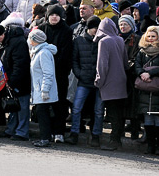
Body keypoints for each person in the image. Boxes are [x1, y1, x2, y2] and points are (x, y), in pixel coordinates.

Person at [38, 4, 73, 143]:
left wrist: (55, 66)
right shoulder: (42, 29)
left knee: (60, 103)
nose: (54, 17)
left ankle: (59, 132)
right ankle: (47, 132)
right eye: (52, 14)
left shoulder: (67, 30)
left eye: (57, 15)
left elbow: (66, 52)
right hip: (43, 73)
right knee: (45, 104)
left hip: (60, 72)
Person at [66, 16, 103, 147]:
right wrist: (79, 74)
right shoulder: (79, 41)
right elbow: (74, 60)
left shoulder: (102, 41)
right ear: (89, 28)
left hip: (99, 82)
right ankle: (74, 133)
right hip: (83, 80)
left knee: (98, 111)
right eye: (94, 28)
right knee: (76, 108)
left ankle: (96, 135)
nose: (96, 31)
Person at [0, 24, 31, 140]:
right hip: (11, 79)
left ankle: (22, 132)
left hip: (20, 81)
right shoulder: (8, 41)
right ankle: (11, 130)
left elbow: (20, 65)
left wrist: (12, 82)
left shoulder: (17, 42)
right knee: (13, 106)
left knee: (22, 107)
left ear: (2, 34)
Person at [95, 18, 129, 151]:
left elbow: (102, 65)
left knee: (112, 112)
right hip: (121, 80)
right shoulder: (120, 39)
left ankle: (114, 141)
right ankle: (117, 139)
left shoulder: (103, 41)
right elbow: (125, 61)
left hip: (108, 82)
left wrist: (99, 81)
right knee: (118, 112)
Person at [28, 29, 59, 148]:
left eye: (31, 38)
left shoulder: (43, 53)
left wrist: (45, 90)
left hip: (43, 91)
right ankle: (45, 137)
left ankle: (45, 138)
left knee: (43, 115)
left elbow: (48, 73)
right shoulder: (37, 51)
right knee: (42, 114)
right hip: (39, 89)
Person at [135, 26, 159, 154]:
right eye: (148, 36)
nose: (150, 39)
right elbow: (137, 65)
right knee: (148, 120)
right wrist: (142, 74)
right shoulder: (142, 51)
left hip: (157, 91)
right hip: (145, 91)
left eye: (153, 36)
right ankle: (150, 145)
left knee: (158, 120)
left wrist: (151, 73)